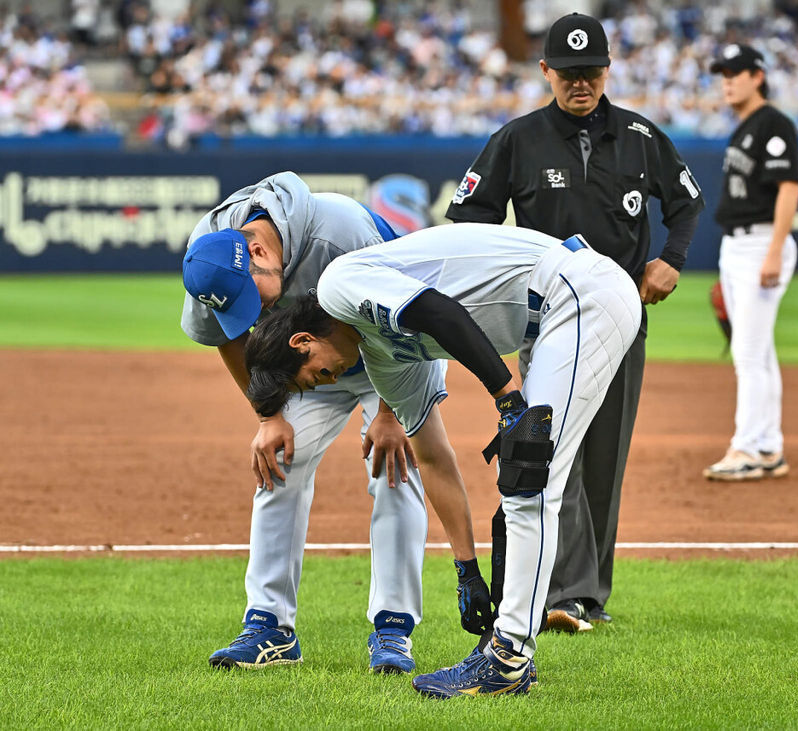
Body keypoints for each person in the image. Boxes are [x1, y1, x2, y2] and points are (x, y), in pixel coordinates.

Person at [243, 222, 642, 697]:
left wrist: (509, 399)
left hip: (578, 291)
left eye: (309, 378)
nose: (324, 383)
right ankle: (507, 649)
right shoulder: (382, 359)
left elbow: (439, 311)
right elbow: (432, 459)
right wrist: (465, 568)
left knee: (529, 474)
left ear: (301, 342)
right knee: (521, 475)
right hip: (555, 315)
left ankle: (507, 658)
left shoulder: (338, 286)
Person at [446, 12, 704, 633]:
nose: (579, 84)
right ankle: (562, 594)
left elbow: (688, 201)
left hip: (623, 315)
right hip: (549, 319)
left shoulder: (642, 136)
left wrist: (671, 259)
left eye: (589, 72)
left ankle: (586, 597)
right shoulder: (517, 138)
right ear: (546, 73)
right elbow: (469, 218)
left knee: (605, 458)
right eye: (567, 73)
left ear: (607, 70)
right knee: (551, 445)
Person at [180, 172, 489, 672]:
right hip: (308, 366)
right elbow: (227, 337)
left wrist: (391, 414)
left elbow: (412, 315)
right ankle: (268, 627)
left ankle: (393, 629)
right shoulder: (210, 254)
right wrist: (269, 414)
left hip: (394, 350)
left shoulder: (339, 233)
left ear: (259, 251)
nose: (252, 310)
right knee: (279, 460)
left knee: (397, 466)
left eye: (250, 297)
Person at [703, 44, 798, 482]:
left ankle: (744, 446)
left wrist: (775, 250)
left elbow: (789, 188)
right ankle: (768, 447)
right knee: (760, 353)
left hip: (761, 241)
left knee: (747, 352)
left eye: (735, 72)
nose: (727, 79)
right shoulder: (744, 127)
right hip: (737, 246)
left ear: (757, 76)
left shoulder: (774, 124)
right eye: (722, 72)